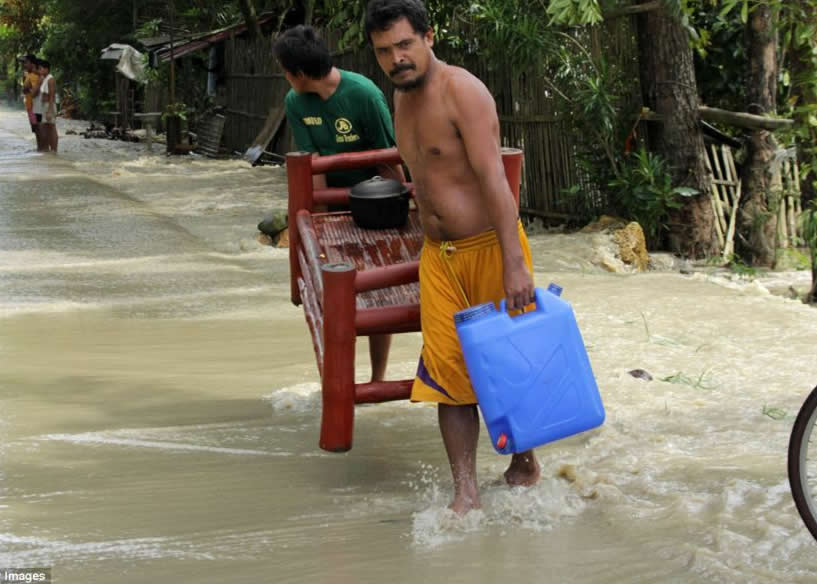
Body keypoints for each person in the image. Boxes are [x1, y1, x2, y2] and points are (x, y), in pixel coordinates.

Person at [365, 0, 541, 514]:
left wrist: (514, 263)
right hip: (438, 255)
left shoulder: (462, 91)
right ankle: (465, 491)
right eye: (384, 51)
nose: (397, 58)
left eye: (404, 44)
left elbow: (494, 180)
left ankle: (525, 461)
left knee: (506, 367)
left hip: (489, 246)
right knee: (447, 374)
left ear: (428, 37)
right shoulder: (399, 99)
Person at [273, 25, 403, 383]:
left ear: (298, 73)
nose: (285, 77)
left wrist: (401, 214)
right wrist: (316, 231)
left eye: (285, 69)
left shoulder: (363, 94)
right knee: (331, 294)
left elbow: (390, 160)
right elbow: (312, 167)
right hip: (332, 207)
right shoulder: (295, 102)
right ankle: (340, 380)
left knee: (379, 293)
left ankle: (377, 377)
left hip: (376, 203)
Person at [20, 55, 41, 148]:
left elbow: (35, 92)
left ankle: (43, 150)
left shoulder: (35, 76)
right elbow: (24, 90)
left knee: (38, 129)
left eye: (26, 62)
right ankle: (41, 151)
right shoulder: (27, 75)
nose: (24, 65)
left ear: (32, 64)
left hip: (35, 107)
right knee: (36, 129)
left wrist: (27, 89)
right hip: (30, 107)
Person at [37, 60, 58, 153]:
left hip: (49, 105)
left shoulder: (50, 79)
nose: (39, 70)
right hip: (44, 105)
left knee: (51, 127)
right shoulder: (44, 79)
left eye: (41, 69)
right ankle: (49, 149)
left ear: (46, 69)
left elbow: (52, 95)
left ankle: (54, 150)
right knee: (46, 127)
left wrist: (50, 110)